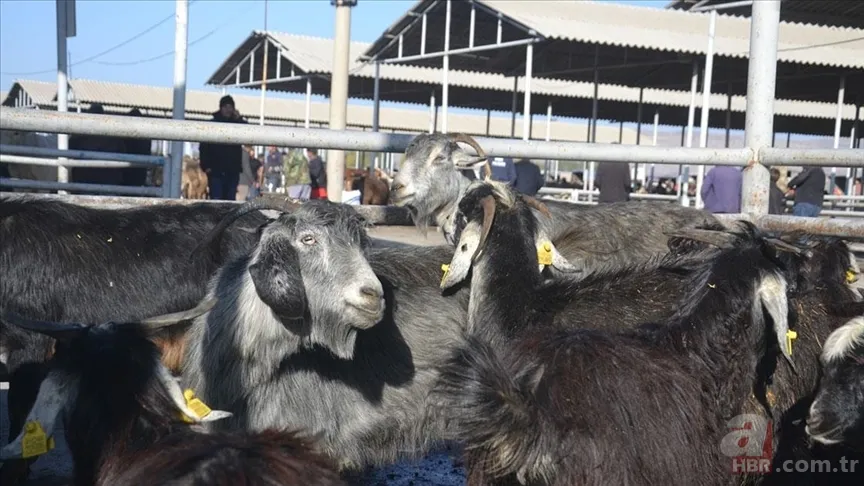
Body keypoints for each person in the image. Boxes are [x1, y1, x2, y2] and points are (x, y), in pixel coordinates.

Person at [198, 95, 247, 200]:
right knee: (216, 200)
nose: (228, 110)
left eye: (230, 107)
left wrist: (239, 118)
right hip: (215, 171)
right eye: (225, 107)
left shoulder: (237, 124)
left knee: (230, 201)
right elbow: (203, 146)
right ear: (220, 108)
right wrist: (206, 166)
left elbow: (248, 132)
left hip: (232, 171)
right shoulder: (212, 124)